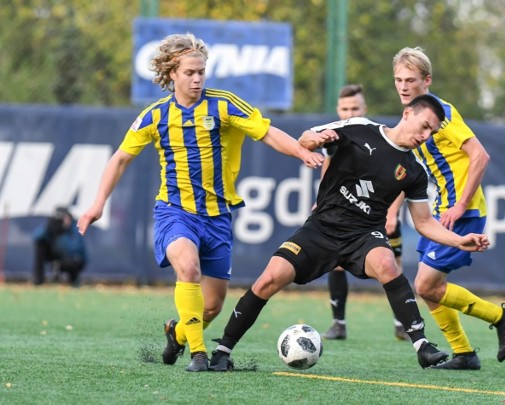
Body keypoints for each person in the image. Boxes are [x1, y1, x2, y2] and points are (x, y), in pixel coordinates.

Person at [76, 33, 324, 372]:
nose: (196, 79)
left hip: (217, 217)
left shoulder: (224, 104)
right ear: (172, 74)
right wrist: (97, 204)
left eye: (201, 72)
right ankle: (197, 354)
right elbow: (119, 159)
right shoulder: (155, 116)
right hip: (174, 212)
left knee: (211, 306)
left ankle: (176, 333)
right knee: (188, 268)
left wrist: (300, 152)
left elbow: (265, 132)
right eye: (189, 72)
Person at [209, 94, 491, 372]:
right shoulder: (359, 128)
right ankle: (223, 350)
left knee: (386, 263)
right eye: (424, 125)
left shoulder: (414, 171)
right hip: (321, 227)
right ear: (407, 114)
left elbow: (424, 223)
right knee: (268, 280)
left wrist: (459, 240)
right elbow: (306, 138)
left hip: (364, 235)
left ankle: (422, 346)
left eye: (432, 131)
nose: (426, 135)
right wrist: (317, 140)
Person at [392, 47, 505, 370]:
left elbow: (480, 155)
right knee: (429, 288)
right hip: (442, 211)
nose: (403, 86)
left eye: (411, 79)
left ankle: (502, 317)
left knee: (425, 285)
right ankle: (464, 353)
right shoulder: (412, 115)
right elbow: (406, 166)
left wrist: (461, 204)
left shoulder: (443, 114)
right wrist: (391, 209)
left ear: (427, 80)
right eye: (398, 79)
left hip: (460, 212)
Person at [322, 84, 409, 341]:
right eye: (345, 109)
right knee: (336, 263)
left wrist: (393, 213)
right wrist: (322, 201)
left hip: (380, 213)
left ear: (365, 109)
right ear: (338, 110)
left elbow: (403, 176)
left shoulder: (379, 136)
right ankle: (339, 323)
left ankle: (401, 324)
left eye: (355, 108)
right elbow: (328, 167)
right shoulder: (333, 137)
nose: (349, 113)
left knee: (393, 266)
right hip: (346, 214)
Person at [33, 206, 87, 287]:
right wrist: (48, 229)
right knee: (40, 245)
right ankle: (38, 281)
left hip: (73, 259)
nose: (61, 221)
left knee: (74, 261)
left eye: (64, 217)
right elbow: (36, 238)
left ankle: (74, 281)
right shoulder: (51, 227)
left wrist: (62, 232)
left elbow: (74, 248)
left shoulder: (75, 228)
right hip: (55, 256)